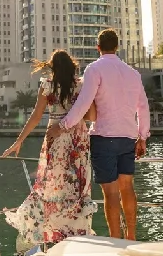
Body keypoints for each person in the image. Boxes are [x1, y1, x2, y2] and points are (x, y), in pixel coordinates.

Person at [46, 29, 150, 241]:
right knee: (127, 187)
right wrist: (143, 137)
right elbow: (143, 107)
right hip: (129, 138)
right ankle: (131, 237)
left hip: (104, 137)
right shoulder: (133, 73)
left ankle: (116, 239)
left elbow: (84, 102)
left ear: (98, 47)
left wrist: (63, 125)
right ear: (117, 47)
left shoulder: (95, 69)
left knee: (111, 193)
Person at [2, 50, 98, 256]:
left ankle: (46, 232)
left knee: (51, 186)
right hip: (78, 140)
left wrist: (19, 141)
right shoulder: (82, 85)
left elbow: (36, 117)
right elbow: (91, 116)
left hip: (55, 139)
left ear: (53, 67)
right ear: (72, 66)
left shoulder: (47, 85)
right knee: (77, 187)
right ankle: (76, 234)